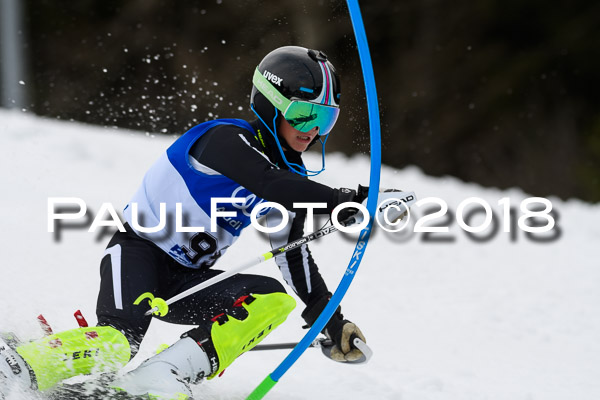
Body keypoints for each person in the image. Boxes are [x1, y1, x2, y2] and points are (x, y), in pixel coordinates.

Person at [0, 46, 398, 400]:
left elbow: (292, 255)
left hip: (189, 279)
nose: (312, 131)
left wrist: (330, 320)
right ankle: (15, 366)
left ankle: (160, 376)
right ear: (270, 104)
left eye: (324, 119)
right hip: (138, 255)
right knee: (118, 342)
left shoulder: (287, 178)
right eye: (303, 113)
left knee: (272, 298)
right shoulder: (224, 139)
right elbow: (265, 180)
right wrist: (340, 201)